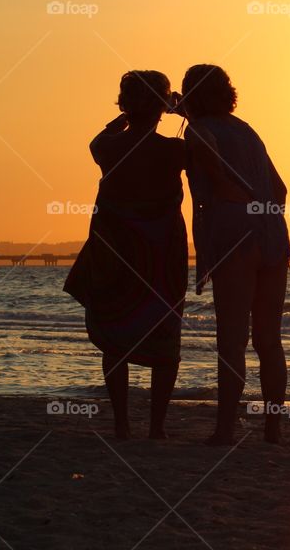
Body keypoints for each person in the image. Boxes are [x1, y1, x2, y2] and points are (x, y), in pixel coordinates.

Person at [64, 70, 188, 440]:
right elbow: (206, 151)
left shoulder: (106, 147)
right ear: (162, 107)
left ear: (124, 104)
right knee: (164, 338)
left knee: (116, 336)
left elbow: (104, 135)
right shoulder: (174, 150)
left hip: (115, 254)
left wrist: (126, 114)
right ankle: (157, 428)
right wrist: (182, 112)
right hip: (161, 255)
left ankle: (121, 423)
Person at [179, 64, 290, 445]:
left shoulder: (198, 131)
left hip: (232, 238)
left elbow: (223, 184)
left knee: (231, 340)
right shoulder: (247, 131)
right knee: (268, 340)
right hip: (273, 237)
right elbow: (280, 190)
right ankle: (273, 429)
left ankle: (225, 429)